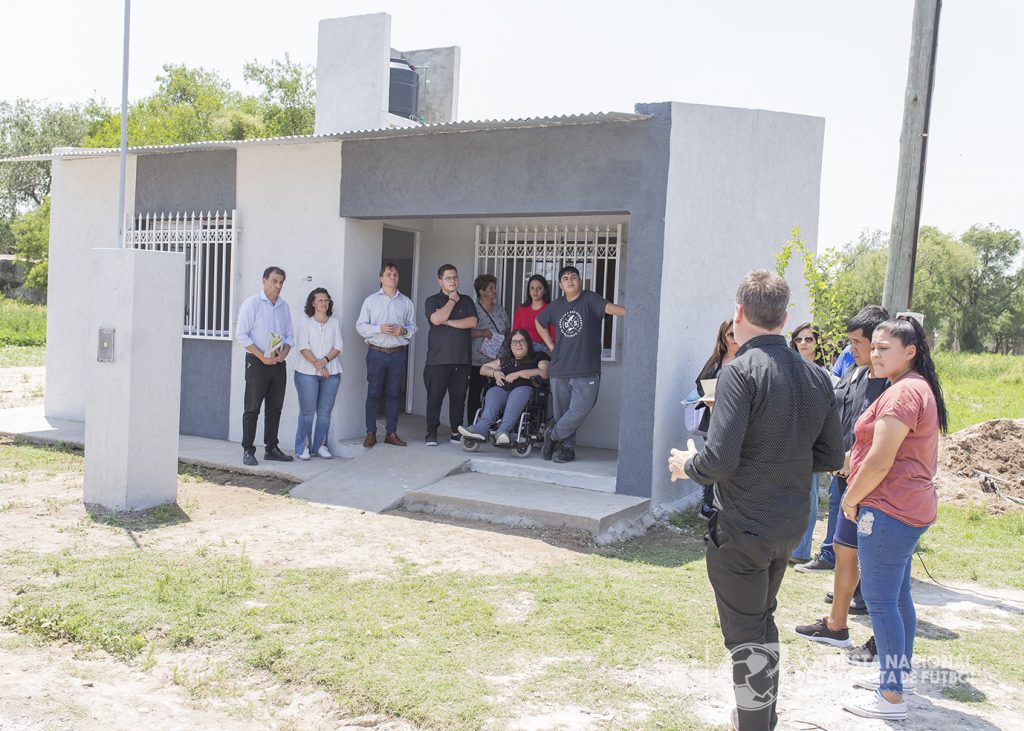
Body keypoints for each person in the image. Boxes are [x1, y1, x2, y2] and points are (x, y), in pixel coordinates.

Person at [668, 270, 844, 731]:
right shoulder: (816, 375)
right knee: (761, 623)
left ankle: (754, 722)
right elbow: (830, 455)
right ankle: (759, 714)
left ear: (739, 313)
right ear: (785, 319)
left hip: (744, 528)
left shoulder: (740, 371)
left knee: (747, 636)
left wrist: (686, 465)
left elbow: (718, 460)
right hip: (788, 526)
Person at [840, 316, 948, 721]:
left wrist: (851, 497)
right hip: (906, 507)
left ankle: (891, 696)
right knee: (898, 596)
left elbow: (881, 461)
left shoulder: (904, 393)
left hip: (889, 508)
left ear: (910, 352)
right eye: (875, 346)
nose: (876, 354)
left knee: (882, 601)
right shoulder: (910, 387)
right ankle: (897, 676)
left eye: (886, 348)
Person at [536, 266, 626, 464]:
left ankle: (552, 435)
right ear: (560, 285)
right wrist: (550, 344)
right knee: (562, 412)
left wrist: (630, 313)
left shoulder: (589, 299)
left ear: (579, 281)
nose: (570, 280)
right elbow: (538, 321)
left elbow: (609, 307)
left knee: (579, 410)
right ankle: (567, 450)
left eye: (574, 277)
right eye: (565, 278)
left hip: (586, 369)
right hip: (560, 368)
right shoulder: (556, 306)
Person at [236, 266, 295, 466]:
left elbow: (289, 336)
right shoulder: (252, 304)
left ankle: (271, 448)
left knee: (275, 408)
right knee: (252, 408)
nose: (278, 286)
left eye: (281, 282)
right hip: (257, 363)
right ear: (264, 281)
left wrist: (284, 352)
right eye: (274, 281)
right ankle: (248, 450)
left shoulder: (284, 307)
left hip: (278, 364)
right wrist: (262, 356)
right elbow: (241, 335)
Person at [356, 262, 417, 448]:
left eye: (396, 275)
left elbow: (414, 327)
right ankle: (370, 432)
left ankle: (391, 433)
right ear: (381, 278)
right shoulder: (371, 301)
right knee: (373, 392)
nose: (393, 277)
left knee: (394, 394)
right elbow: (360, 326)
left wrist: (403, 331)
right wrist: (379, 328)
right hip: (376, 352)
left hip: (397, 354)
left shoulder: (406, 302)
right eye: (389, 274)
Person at [459, 329, 550, 445]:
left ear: (528, 343)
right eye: (514, 342)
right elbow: (483, 369)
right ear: (510, 346)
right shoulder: (506, 359)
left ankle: (503, 431)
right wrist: (494, 373)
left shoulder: (538, 356)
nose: (518, 345)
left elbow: (544, 372)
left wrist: (519, 374)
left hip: (523, 390)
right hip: (502, 389)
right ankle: (480, 428)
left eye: (522, 341)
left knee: (519, 392)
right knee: (493, 391)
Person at [788, 323, 831, 564]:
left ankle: (801, 550)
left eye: (809, 339)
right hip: (787, 439)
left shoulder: (824, 374)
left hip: (811, 441)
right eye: (799, 339)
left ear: (817, 344)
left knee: (809, 495)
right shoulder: (788, 369)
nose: (803, 343)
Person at [424, 264, 478, 445]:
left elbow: (472, 322)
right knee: (435, 398)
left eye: (455, 277)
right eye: (448, 278)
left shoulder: (468, 300)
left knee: (458, 398)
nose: (453, 280)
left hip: (462, 360)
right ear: (440, 281)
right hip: (438, 360)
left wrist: (447, 322)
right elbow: (436, 319)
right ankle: (431, 432)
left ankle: (456, 431)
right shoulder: (432, 301)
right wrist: (452, 301)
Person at [292, 288, 343, 460]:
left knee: (324, 412)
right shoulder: (304, 322)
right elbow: (302, 347)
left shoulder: (334, 322)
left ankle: (320, 445)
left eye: (326, 300)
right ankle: (302, 447)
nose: (323, 303)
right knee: (307, 412)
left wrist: (325, 362)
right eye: (320, 300)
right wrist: (318, 365)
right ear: (312, 303)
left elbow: (338, 346)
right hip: (306, 372)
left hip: (332, 372)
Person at [467, 274, 510, 426]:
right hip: (478, 361)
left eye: (494, 288)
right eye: (490, 288)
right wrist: (482, 333)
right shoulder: (472, 310)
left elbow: (507, 331)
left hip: (498, 361)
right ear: (481, 291)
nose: (494, 291)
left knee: (497, 393)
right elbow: (465, 333)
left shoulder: (500, 311)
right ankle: (474, 425)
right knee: (475, 394)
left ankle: (493, 424)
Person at [513, 274, 555, 354]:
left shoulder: (550, 309)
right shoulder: (521, 309)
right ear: (528, 291)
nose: (535, 291)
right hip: (522, 348)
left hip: (542, 349)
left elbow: (553, 335)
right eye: (532, 288)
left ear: (545, 290)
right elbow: (516, 331)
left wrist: (549, 351)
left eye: (539, 288)